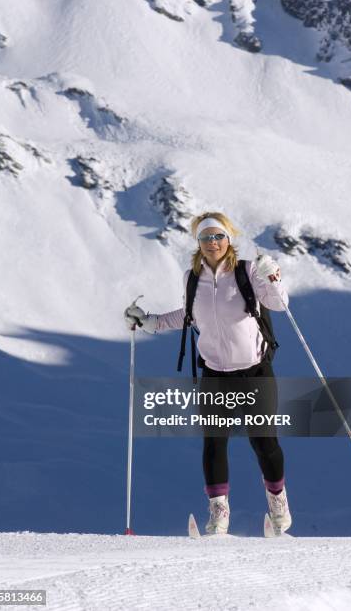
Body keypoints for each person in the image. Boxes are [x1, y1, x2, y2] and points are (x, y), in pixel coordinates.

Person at [124, 212, 292, 535]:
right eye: (205, 238)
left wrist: (275, 278)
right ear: (198, 244)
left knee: (264, 442)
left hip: (255, 373)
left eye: (218, 236)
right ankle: (218, 515)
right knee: (214, 444)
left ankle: (278, 504)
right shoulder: (192, 277)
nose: (212, 243)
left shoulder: (248, 271)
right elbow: (189, 316)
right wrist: (150, 322)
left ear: (229, 239)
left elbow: (278, 303)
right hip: (215, 374)